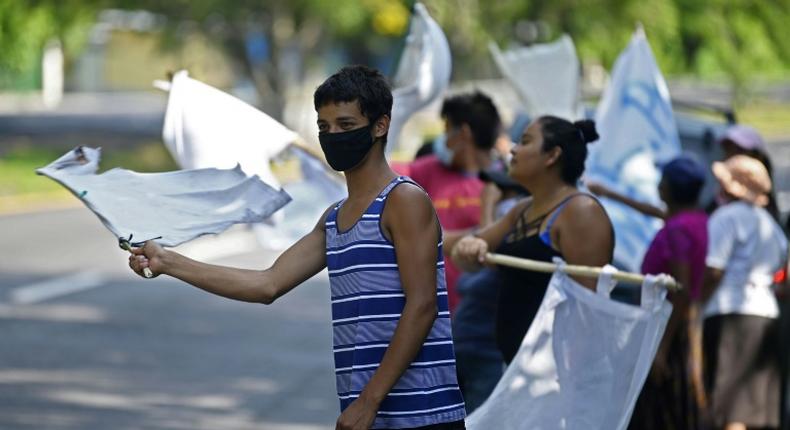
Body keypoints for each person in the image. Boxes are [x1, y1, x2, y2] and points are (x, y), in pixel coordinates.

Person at [129, 65, 466, 430]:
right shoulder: (334, 219)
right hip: (368, 415)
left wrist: (370, 400)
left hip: (421, 413)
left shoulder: (404, 201)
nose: (333, 135)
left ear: (380, 125)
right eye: (324, 127)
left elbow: (423, 305)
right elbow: (267, 283)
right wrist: (168, 261)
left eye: (346, 125)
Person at [452, 116, 614, 364]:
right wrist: (472, 247)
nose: (514, 149)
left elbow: (588, 309)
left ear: (552, 156)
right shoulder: (523, 209)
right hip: (517, 367)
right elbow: (466, 259)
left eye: (525, 141)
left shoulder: (581, 212)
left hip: (555, 373)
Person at [590, 156, 709, 429]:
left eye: (663, 181)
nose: (659, 185)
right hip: (677, 322)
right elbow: (653, 212)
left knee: (663, 406)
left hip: (667, 325)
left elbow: (680, 289)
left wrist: (661, 349)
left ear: (670, 188)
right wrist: (610, 194)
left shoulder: (677, 230)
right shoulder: (693, 218)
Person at [702, 155, 788, 430]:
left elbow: (714, 270)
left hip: (731, 314)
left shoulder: (725, 218)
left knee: (729, 409)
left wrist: (697, 302)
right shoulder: (771, 225)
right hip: (766, 314)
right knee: (755, 410)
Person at [394, 92, 502, 312]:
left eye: (446, 130)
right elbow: (381, 175)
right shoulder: (426, 171)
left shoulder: (506, 182)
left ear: (464, 133)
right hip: (429, 312)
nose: (442, 141)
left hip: (480, 315)